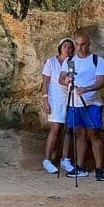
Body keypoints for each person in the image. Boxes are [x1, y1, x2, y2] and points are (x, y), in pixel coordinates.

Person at [59, 33, 104, 181]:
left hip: (91, 103)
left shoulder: (97, 60)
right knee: (79, 134)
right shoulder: (70, 60)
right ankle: (80, 166)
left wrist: (86, 89)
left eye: (83, 44)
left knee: (94, 134)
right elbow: (61, 78)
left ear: (89, 44)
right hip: (74, 103)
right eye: (77, 44)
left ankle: (99, 167)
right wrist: (65, 79)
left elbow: (101, 82)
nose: (80, 48)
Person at [41, 38, 77, 174]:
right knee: (55, 129)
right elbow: (45, 82)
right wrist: (45, 101)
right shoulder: (51, 62)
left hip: (69, 98)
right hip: (55, 98)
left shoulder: (72, 62)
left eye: (70, 47)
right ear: (60, 48)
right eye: (65, 46)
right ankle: (47, 159)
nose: (67, 49)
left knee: (68, 130)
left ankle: (65, 159)